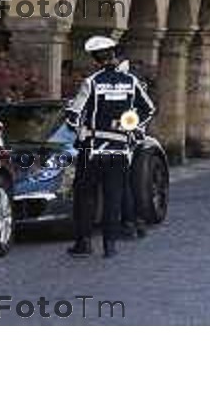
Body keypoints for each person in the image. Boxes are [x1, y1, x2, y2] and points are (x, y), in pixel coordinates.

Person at [65, 36, 156, 258]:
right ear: (114, 55)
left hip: (93, 149)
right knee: (114, 196)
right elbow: (149, 109)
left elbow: (73, 116)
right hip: (120, 149)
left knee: (86, 196)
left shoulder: (92, 82)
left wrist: (78, 130)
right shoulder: (130, 82)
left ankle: (84, 243)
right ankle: (110, 245)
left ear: (95, 59)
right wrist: (130, 126)